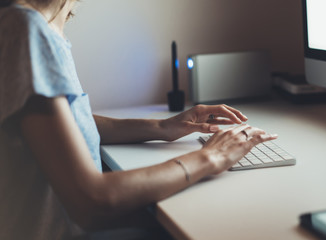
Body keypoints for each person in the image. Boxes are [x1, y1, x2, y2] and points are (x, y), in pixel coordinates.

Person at [0, 0, 278, 239]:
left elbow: (66, 126)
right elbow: (92, 201)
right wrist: (211, 158)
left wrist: (162, 127)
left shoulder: (44, 28)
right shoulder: (24, 28)